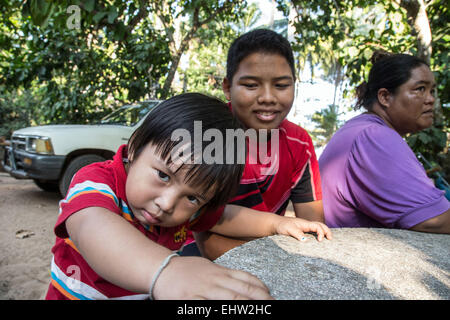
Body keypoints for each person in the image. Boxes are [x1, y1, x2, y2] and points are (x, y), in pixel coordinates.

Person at [45, 93, 332, 300]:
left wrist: (276, 224)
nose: (168, 204)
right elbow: (93, 227)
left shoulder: (188, 210)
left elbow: (223, 217)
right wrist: (167, 270)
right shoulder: (97, 180)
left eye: (193, 198)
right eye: (163, 175)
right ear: (135, 146)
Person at [194, 29, 330, 261]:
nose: (268, 97)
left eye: (280, 86)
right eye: (250, 85)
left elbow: (312, 227)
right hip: (200, 258)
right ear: (228, 87)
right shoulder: (208, 136)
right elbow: (202, 227)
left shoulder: (300, 144)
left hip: (272, 252)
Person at [319, 52, 450, 233]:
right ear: (385, 97)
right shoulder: (374, 137)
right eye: (420, 89)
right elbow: (434, 220)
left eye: (432, 90)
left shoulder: (361, 129)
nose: (431, 99)